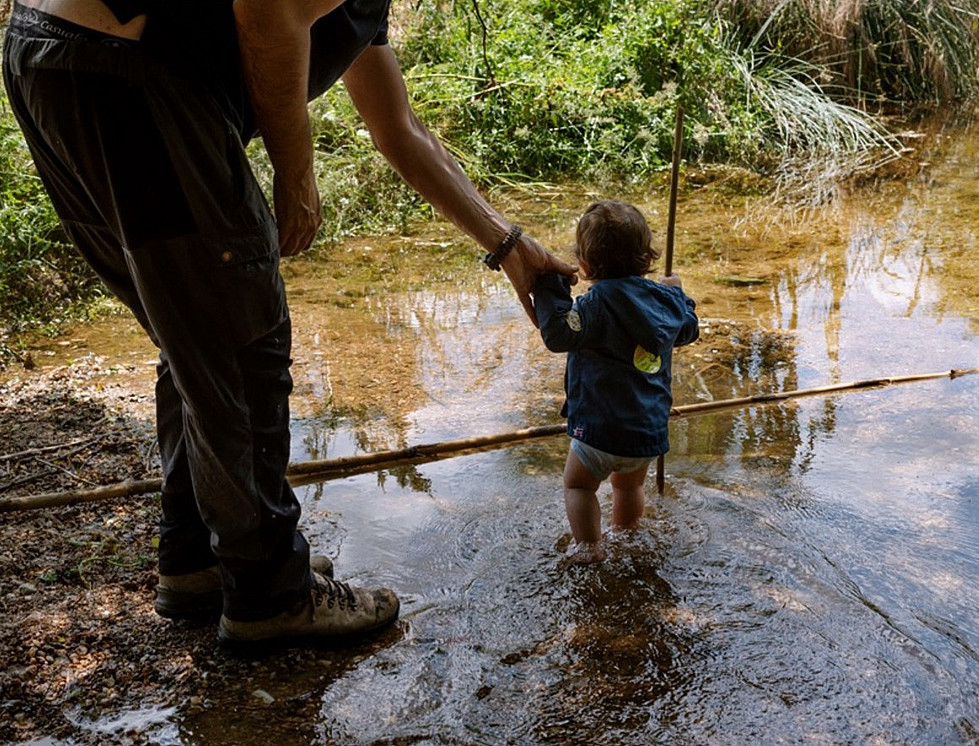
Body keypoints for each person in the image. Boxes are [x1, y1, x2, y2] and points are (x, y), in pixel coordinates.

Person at [2, 0, 577, 647]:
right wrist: (296, 171)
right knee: (243, 337)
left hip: (58, 56)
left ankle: (198, 559)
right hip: (130, 68)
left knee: (195, 326)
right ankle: (269, 590)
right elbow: (267, 8)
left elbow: (400, 130)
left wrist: (512, 249)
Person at [534, 200, 699, 564]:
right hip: (646, 433)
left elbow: (559, 334)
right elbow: (688, 330)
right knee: (629, 486)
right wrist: (680, 296)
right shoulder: (665, 301)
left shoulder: (594, 305)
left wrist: (550, 288)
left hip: (599, 430)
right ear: (647, 258)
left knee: (578, 485)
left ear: (586, 264)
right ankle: (626, 538)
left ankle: (590, 547)